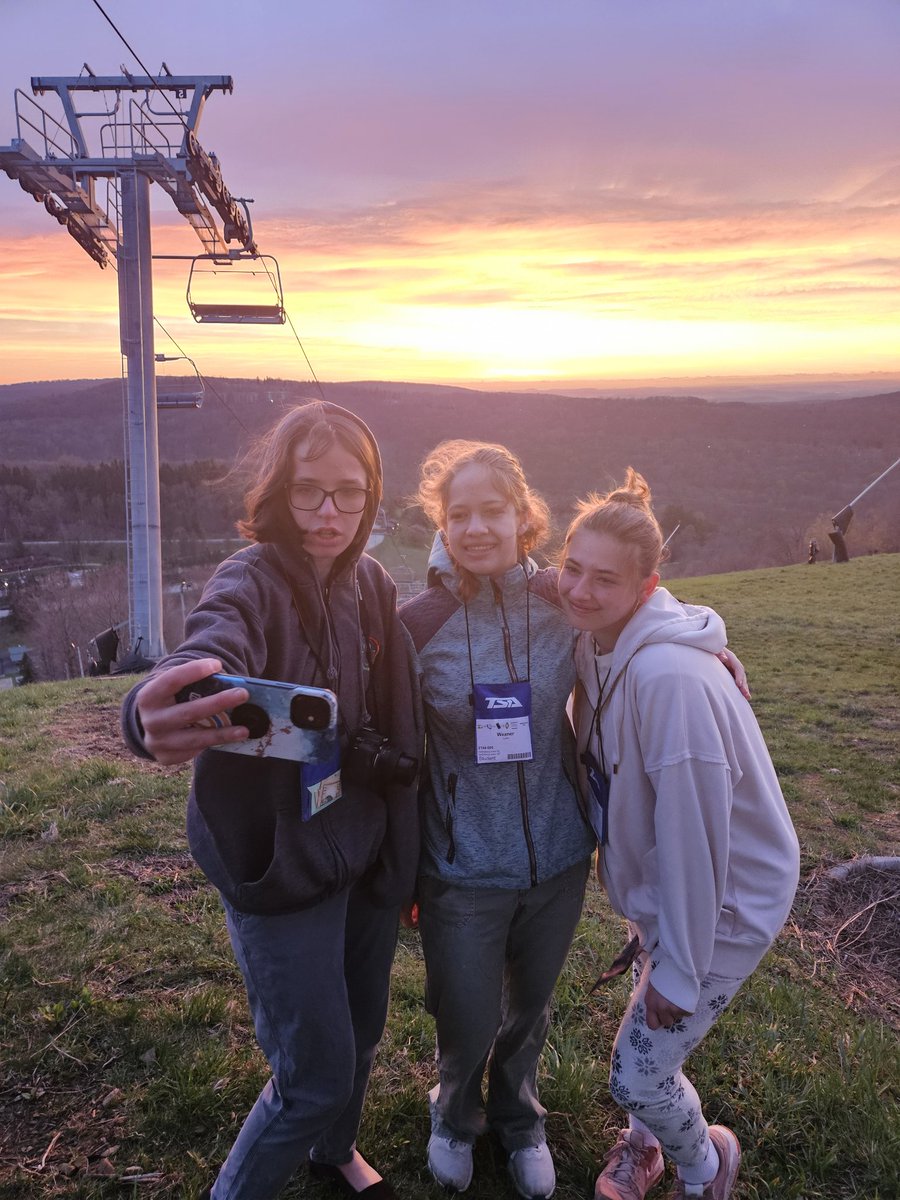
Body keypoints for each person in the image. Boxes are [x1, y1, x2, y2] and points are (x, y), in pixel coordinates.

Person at [120, 401, 421, 1200]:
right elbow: (209, 646)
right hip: (277, 864)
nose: (329, 513)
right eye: (308, 491)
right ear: (279, 490)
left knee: (359, 1033)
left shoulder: (374, 585)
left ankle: (334, 1150)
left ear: (371, 494)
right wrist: (156, 704)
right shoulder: (248, 579)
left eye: (349, 493)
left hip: (358, 850)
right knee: (311, 1073)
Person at [557, 468, 800, 1200]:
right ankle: (645, 1151)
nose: (579, 590)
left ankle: (705, 1165)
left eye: (604, 579)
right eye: (572, 568)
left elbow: (695, 837)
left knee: (637, 1072)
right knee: (648, 1037)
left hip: (725, 902)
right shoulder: (598, 639)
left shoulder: (667, 679)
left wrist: (683, 966)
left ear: (647, 586)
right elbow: (553, 583)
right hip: (667, 889)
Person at [398, 439, 596, 1200]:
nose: (476, 528)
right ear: (440, 527)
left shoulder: (562, 605)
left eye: (492, 511)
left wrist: (712, 645)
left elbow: (648, 615)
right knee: (468, 1014)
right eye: (459, 515)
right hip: (461, 867)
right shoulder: (418, 625)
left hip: (558, 855)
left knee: (530, 1010)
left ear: (524, 517)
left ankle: (519, 1118)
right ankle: (454, 1115)